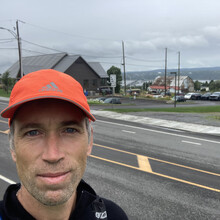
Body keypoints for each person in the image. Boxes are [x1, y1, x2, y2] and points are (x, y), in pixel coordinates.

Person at [0, 69, 128, 220]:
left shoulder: (114, 216)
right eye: (33, 132)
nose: (53, 155)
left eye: (69, 130)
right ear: (12, 146)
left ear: (89, 141)